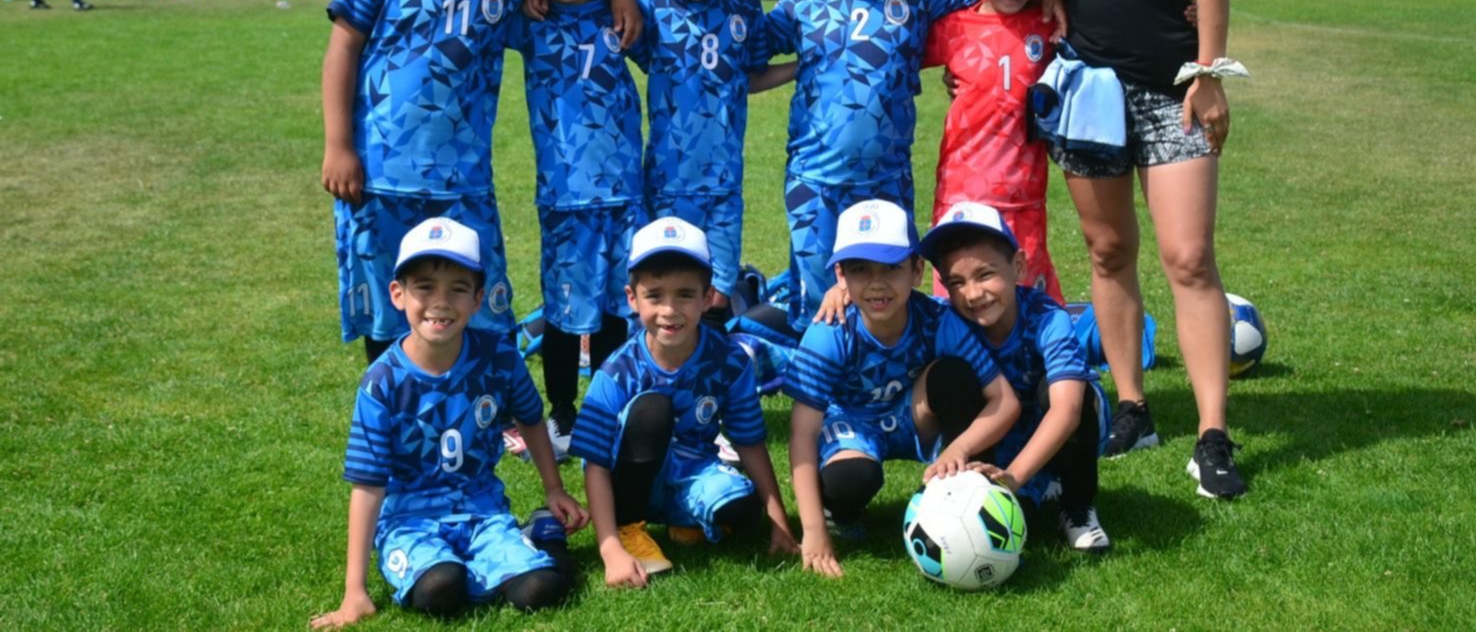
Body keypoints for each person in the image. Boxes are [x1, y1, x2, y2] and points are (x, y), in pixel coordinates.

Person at [1018, 0, 1246, 498]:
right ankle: (1132, 406)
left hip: (1172, 89)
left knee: (1189, 257)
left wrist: (1208, 74)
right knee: (1109, 253)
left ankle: (1213, 434)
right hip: (1090, 97)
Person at [310, 217, 586, 629]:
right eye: (425, 287)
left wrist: (553, 489)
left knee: (539, 590)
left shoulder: (499, 357)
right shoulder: (381, 383)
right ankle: (462, 563)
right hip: (409, 519)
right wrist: (355, 592)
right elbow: (368, 485)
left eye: (458, 289)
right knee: (441, 589)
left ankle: (540, 535)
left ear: (477, 300)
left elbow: (530, 417)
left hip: (483, 509)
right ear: (398, 294)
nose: (441, 302)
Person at [321, 0, 528, 363]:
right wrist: (338, 144)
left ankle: (487, 411)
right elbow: (343, 46)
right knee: (390, 308)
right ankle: (390, 406)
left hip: (464, 182)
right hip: (380, 177)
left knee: (478, 302)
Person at [765, 0, 981, 334]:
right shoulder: (801, 2)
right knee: (819, 305)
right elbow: (740, 54)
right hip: (814, 183)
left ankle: (882, 384)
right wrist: (798, 66)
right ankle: (819, 389)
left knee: (887, 296)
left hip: (887, 181)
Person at [783, 199, 1019, 577]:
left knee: (954, 376)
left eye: (891, 268)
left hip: (913, 414)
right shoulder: (829, 331)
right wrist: (812, 531)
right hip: (853, 425)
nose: (876, 283)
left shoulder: (939, 319)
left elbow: (1004, 401)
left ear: (917, 270)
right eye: (861, 270)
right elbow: (802, 433)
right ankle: (839, 511)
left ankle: (966, 496)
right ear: (840, 276)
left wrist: (959, 449)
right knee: (851, 481)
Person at [571, 218, 799, 586]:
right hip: (627, 481)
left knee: (743, 506)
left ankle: (684, 520)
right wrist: (609, 547)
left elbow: (749, 441)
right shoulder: (616, 371)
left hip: (692, 471)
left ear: (708, 297)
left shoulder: (730, 360)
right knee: (652, 410)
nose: (670, 310)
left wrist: (780, 522)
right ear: (632, 298)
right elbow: (594, 464)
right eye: (655, 295)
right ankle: (629, 527)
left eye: (685, 295)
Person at [507, 0, 645, 460]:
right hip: (567, 199)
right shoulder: (526, 20)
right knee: (565, 314)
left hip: (627, 195)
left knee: (618, 308)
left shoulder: (619, 14)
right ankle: (562, 417)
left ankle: (606, 409)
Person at [629, 0, 784, 327]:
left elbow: (748, 76)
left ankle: (712, 386)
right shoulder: (649, 1)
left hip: (722, 185)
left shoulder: (743, 5)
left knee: (715, 293)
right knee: (663, 287)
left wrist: (801, 68)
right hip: (663, 183)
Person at [920, 202, 1112, 552]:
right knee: (952, 375)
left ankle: (1077, 505)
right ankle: (977, 492)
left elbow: (1066, 411)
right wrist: (842, 292)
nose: (973, 293)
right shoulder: (947, 319)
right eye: (957, 282)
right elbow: (896, 305)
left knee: (1070, 395)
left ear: (1018, 267)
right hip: (1003, 435)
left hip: (1061, 424)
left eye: (985, 274)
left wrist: (1015, 476)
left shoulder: (1048, 319)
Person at [923, 0, 1062, 303]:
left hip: (1025, 197)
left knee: (1025, 309)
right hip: (961, 195)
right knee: (959, 303)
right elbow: (897, 58)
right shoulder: (952, 28)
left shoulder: (1048, 21)